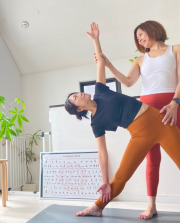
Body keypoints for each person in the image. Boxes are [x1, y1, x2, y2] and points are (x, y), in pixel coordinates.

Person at [64, 22, 180, 217]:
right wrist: (104, 179)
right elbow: (102, 153)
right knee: (121, 177)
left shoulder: (100, 91)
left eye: (77, 92)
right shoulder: (96, 123)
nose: (80, 93)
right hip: (139, 135)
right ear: (80, 108)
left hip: (160, 120)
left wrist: (96, 41)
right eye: (76, 97)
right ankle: (97, 207)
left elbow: (100, 62)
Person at [98, 20, 180, 219]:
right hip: (146, 110)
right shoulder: (140, 60)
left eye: (141, 34)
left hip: (172, 106)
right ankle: (151, 205)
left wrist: (175, 102)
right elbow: (127, 82)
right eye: (137, 38)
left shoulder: (175, 50)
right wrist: (108, 65)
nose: (140, 39)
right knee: (152, 160)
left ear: (153, 30)